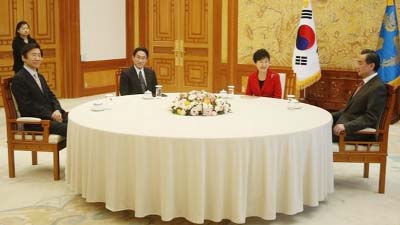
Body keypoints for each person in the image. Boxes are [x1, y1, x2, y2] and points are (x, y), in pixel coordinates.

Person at [11, 43, 68, 137]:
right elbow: (27, 105)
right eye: (33, 55)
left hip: (51, 116)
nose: (37, 58)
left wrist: (57, 110)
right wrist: (50, 115)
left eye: (39, 55)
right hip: (37, 122)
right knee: (70, 129)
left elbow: (51, 96)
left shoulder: (40, 76)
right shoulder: (19, 78)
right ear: (23, 58)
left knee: (77, 121)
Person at [332, 49, 387, 142]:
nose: (357, 67)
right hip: (344, 125)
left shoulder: (378, 87)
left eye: (360, 63)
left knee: (317, 134)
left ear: (371, 66)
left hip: (357, 133)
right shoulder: (365, 83)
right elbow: (348, 111)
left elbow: (370, 118)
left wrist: (346, 126)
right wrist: (328, 116)